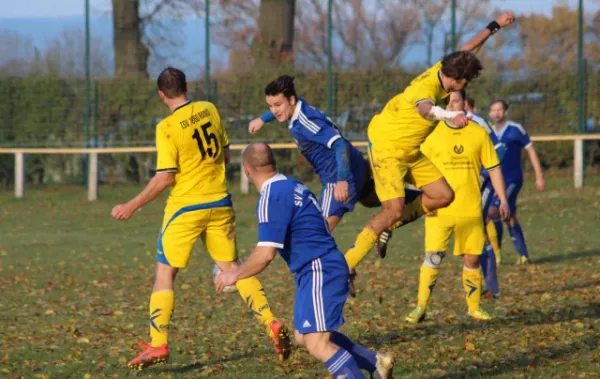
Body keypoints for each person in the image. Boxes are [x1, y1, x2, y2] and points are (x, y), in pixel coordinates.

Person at [111, 67, 291, 369]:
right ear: (186, 87)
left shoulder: (167, 127)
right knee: (232, 268)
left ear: (161, 94)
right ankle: (271, 323)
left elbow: (166, 177)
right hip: (220, 201)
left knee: (164, 273)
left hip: (185, 208)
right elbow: (225, 153)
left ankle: (158, 345)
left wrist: (132, 204)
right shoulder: (208, 109)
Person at [344, 12, 516, 270]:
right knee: (393, 210)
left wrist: (495, 27)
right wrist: (450, 115)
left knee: (443, 195)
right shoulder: (425, 89)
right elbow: (426, 109)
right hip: (387, 148)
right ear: (459, 80)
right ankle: (345, 265)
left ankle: (388, 226)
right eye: (466, 82)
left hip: (410, 150)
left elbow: (467, 51)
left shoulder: (443, 71)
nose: (465, 86)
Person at [215, 143, 395, 379]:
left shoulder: (272, 196)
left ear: (247, 170)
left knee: (317, 343)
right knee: (303, 335)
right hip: (318, 267)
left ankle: (364, 369)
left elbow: (266, 253)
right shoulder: (294, 185)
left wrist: (234, 274)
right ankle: (375, 362)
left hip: (319, 268)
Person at [247, 75, 423, 295]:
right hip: (356, 167)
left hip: (339, 176)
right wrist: (263, 119)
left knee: (317, 233)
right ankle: (415, 199)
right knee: (371, 200)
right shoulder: (297, 111)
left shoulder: (305, 122)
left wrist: (340, 180)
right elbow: (279, 110)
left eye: (278, 105)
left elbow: (339, 144)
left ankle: (343, 273)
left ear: (291, 100)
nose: (275, 110)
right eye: (270, 106)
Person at [405, 91, 510, 324]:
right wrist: (425, 199)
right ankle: (420, 307)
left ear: (464, 104)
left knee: (472, 260)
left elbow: (493, 168)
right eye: (448, 102)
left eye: (457, 101)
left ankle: (474, 308)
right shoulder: (431, 134)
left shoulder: (478, 133)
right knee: (433, 258)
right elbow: (416, 169)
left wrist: (502, 199)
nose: (453, 105)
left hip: (470, 209)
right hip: (439, 209)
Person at [487, 99, 545, 265]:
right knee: (509, 216)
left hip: (512, 179)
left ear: (505, 112)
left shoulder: (515, 129)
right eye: (493, 110)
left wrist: (539, 176)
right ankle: (523, 255)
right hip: (494, 181)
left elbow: (531, 151)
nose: (496, 113)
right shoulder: (488, 131)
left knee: (494, 211)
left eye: (499, 110)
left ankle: (496, 253)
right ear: (490, 113)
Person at [464, 94, 507, 297]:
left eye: (455, 101)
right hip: (463, 186)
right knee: (468, 233)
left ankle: (491, 287)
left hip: (483, 184)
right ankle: (480, 284)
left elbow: (500, 150)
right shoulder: (443, 122)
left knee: (476, 227)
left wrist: (483, 175)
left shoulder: (477, 122)